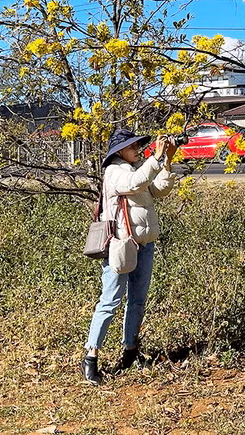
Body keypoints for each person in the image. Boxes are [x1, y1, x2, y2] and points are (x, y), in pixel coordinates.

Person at [82, 128, 178, 385]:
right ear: (119, 150)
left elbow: (159, 190)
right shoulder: (115, 171)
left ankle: (130, 350)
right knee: (110, 301)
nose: (137, 149)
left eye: (138, 145)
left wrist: (167, 161)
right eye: (132, 146)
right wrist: (156, 159)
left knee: (137, 301)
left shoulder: (135, 169)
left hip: (144, 245)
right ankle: (91, 356)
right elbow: (133, 183)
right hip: (120, 246)